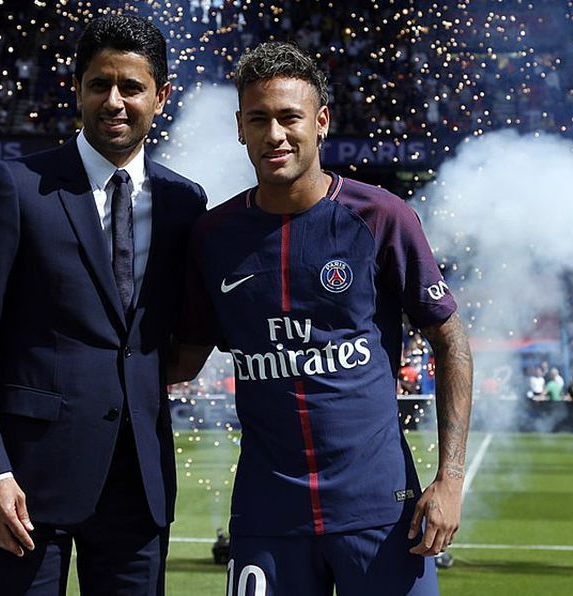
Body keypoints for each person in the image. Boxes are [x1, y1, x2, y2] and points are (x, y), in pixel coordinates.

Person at [170, 42, 473, 595]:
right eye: (258, 119)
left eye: (290, 117)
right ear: (239, 127)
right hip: (267, 513)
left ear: (321, 121)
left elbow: (450, 341)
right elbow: (181, 360)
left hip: (379, 512)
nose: (274, 134)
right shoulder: (213, 237)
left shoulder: (380, 216)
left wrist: (450, 480)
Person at [0, 14, 207, 596]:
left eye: (131, 87)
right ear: (76, 89)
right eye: (99, 84)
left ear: (161, 96)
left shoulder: (186, 203)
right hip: (25, 488)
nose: (114, 101)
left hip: (139, 488)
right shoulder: (15, 188)